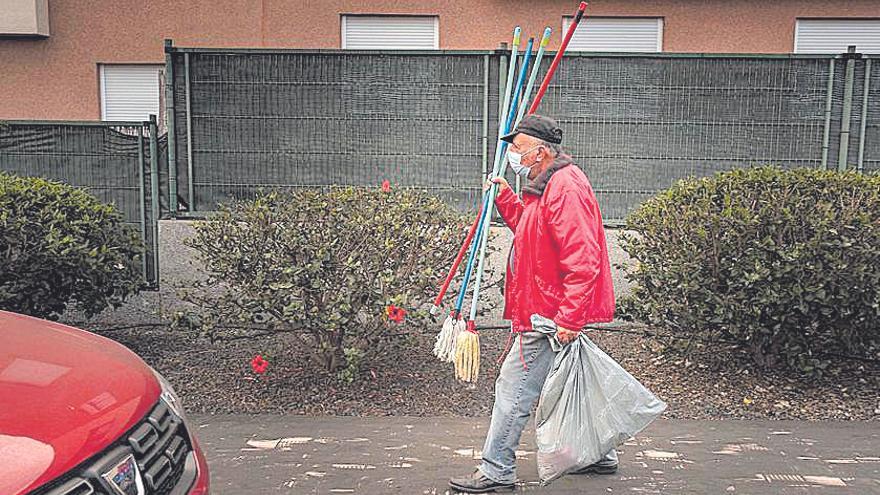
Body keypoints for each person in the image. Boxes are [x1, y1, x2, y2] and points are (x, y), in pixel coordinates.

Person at [449, 115, 617, 493]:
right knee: (572, 382)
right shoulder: (549, 183)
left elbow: (583, 257)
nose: (512, 155)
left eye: (518, 149)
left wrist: (570, 318)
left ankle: (496, 471)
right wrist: (505, 196)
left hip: (547, 312)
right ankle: (596, 455)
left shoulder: (564, 187)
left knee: (513, 389)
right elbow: (532, 229)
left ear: (540, 152)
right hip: (549, 307)